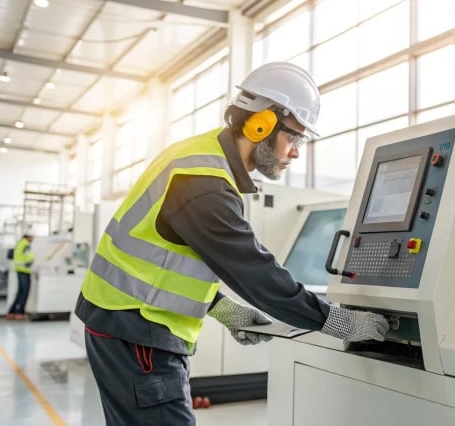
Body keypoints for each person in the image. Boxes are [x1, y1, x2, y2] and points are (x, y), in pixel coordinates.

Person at [75, 62, 390, 425]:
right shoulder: (204, 182)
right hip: (138, 333)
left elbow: (163, 263)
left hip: (123, 322)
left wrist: (222, 308)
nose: (296, 152)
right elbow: (255, 273)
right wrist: (338, 322)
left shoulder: (199, 157)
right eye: (295, 137)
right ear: (263, 125)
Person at [6, 230, 35, 320]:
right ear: (29, 237)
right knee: (24, 293)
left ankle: (11, 312)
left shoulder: (20, 243)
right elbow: (29, 256)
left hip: (18, 269)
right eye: (33, 237)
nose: (34, 239)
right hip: (24, 270)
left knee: (20, 292)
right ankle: (20, 313)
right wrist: (32, 260)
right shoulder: (26, 244)